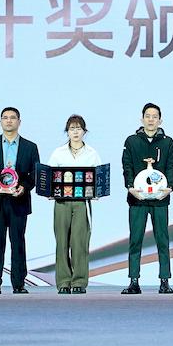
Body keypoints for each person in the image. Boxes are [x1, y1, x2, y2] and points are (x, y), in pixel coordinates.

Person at [0, 107, 40, 294]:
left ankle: (19, 283)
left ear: (19, 122)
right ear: (0, 121)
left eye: (13, 118)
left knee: (18, 242)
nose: (9, 121)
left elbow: (35, 172)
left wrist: (24, 188)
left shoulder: (30, 147)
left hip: (18, 200)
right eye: (5, 117)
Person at [121, 102, 173, 295]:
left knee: (162, 239)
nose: (151, 119)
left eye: (155, 116)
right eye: (148, 116)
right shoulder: (131, 141)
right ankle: (134, 281)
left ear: (160, 120)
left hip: (160, 199)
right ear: (142, 119)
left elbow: (172, 166)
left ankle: (164, 281)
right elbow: (127, 166)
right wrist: (130, 187)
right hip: (137, 199)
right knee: (135, 239)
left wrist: (170, 187)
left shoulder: (168, 142)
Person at [47, 115, 101, 295]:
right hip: (61, 203)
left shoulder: (92, 153)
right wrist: (49, 192)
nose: (75, 132)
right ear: (67, 132)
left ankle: (79, 281)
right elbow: (49, 177)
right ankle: (63, 282)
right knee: (62, 241)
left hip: (82, 203)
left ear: (84, 131)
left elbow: (99, 180)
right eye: (72, 128)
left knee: (79, 242)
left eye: (79, 128)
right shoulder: (58, 153)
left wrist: (96, 192)